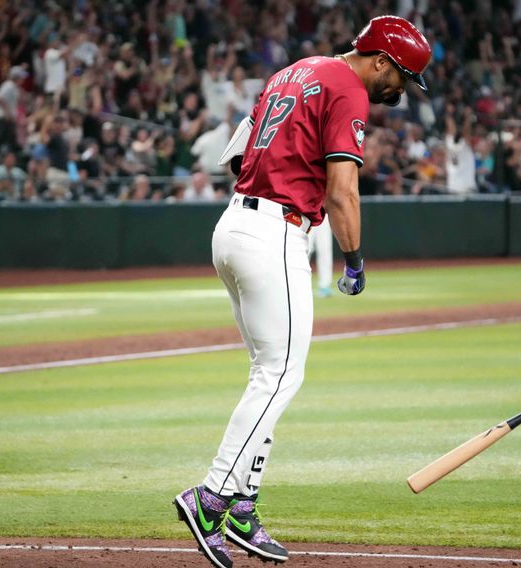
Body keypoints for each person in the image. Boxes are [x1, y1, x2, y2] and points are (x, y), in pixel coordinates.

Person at [173, 15, 430, 568]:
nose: (401, 93)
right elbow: (343, 191)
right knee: (281, 374)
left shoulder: (294, 72)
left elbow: (239, 155)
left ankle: (242, 507)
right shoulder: (348, 88)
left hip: (234, 226)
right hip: (275, 233)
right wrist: (354, 258)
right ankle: (212, 494)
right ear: (381, 61)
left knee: (268, 372)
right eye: (402, 79)